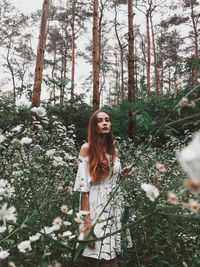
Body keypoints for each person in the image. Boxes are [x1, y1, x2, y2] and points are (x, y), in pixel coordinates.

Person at [74, 110, 133, 267]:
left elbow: (109, 179)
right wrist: (87, 225)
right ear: (94, 126)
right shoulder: (87, 148)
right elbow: (84, 189)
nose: (105, 123)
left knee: (111, 255)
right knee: (101, 257)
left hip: (114, 206)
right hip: (96, 207)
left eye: (107, 120)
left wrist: (120, 174)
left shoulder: (114, 151)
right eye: (100, 121)